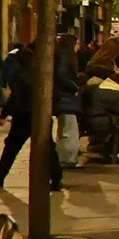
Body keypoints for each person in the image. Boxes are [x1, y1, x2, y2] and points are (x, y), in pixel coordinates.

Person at [0, 41, 64, 191]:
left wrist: (4, 114)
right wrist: (51, 109)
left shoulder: (21, 76)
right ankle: (56, 179)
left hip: (23, 117)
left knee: (12, 146)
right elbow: (56, 93)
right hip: (41, 116)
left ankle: (0, 175)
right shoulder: (43, 74)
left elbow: (15, 97)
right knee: (47, 148)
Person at [54, 34, 84, 168]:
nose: (78, 47)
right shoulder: (65, 57)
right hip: (66, 98)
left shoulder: (61, 56)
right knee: (69, 130)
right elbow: (61, 76)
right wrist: (75, 87)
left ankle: (63, 158)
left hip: (63, 98)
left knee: (65, 130)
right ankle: (68, 159)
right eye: (77, 44)